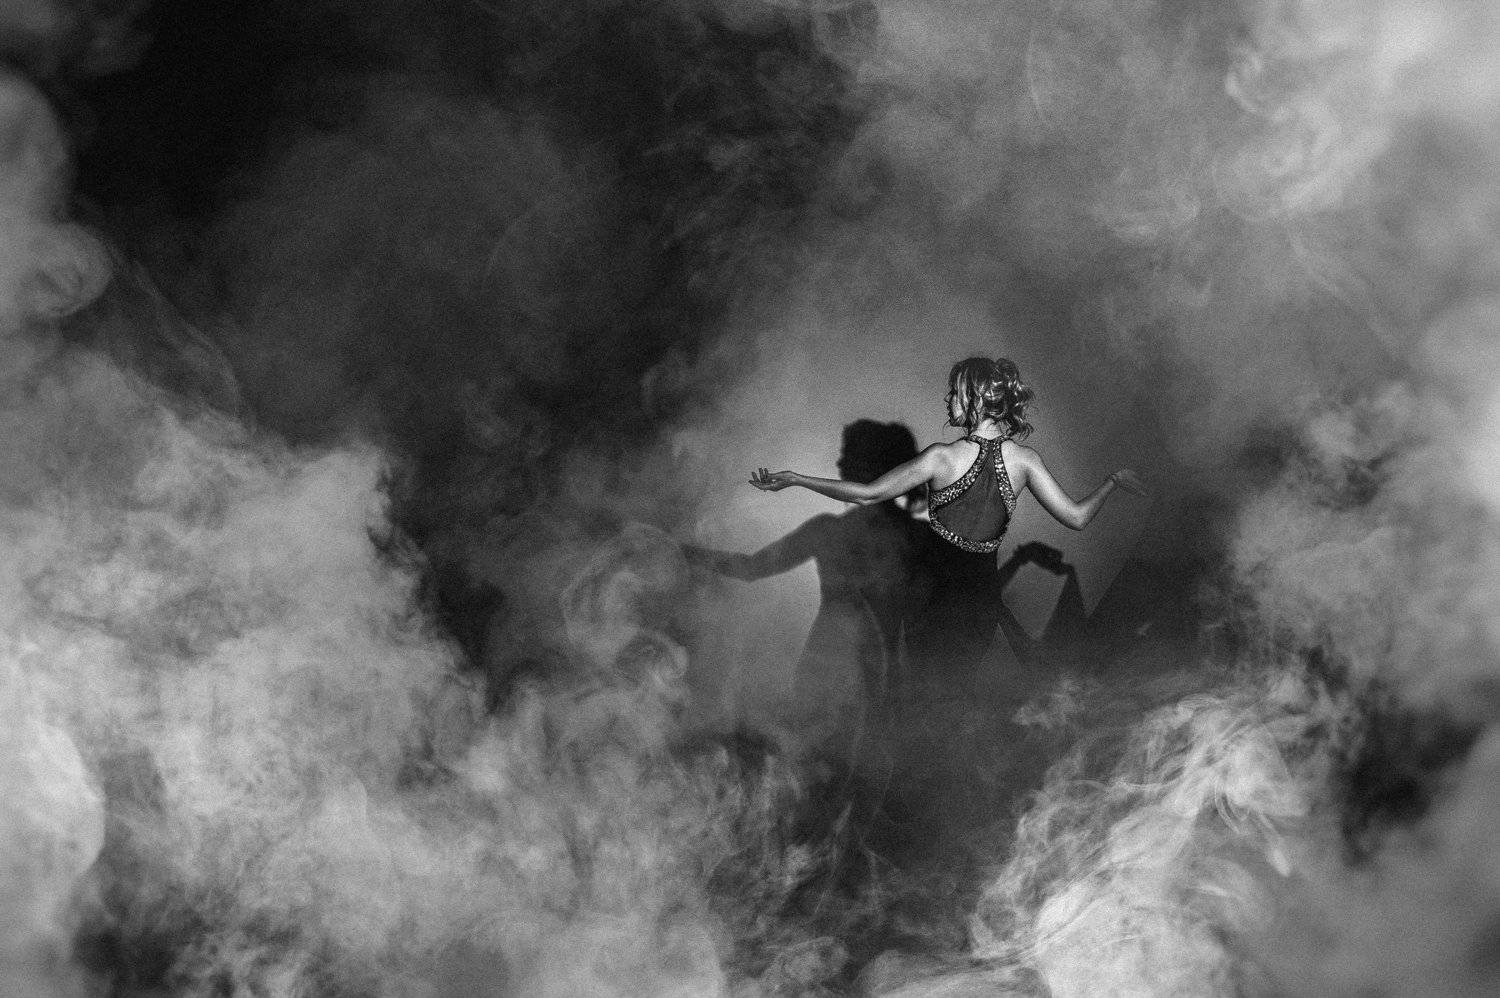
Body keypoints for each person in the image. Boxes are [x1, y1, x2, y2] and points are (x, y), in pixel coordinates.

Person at [748, 357, 1147, 686]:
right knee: (951, 702)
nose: (947, 399)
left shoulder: (942, 457)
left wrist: (796, 479)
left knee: (921, 699)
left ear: (976, 397)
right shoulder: (1025, 461)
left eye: (954, 392)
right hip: (980, 607)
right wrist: (1111, 482)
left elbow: (867, 493)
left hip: (932, 600)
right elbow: (1077, 518)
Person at [687, 420, 930, 745]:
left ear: (872, 467)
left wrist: (683, 551)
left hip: (843, 670)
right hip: (862, 672)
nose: (839, 463)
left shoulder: (835, 532)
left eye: (849, 456)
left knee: (819, 757)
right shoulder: (915, 537)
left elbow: (749, 568)